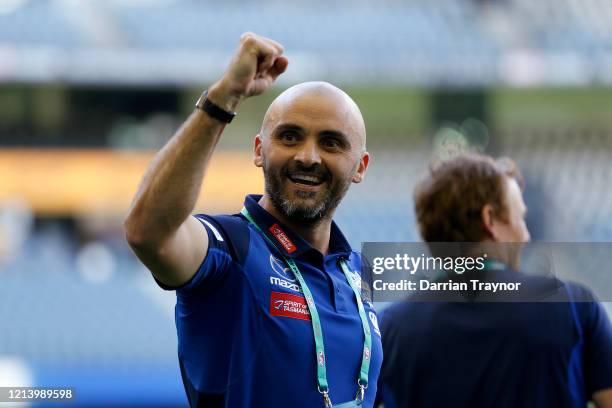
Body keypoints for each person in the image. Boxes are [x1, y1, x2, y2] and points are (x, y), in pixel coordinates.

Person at [124, 33, 382, 408]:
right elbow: (147, 232)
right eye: (290, 137)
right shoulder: (231, 247)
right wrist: (224, 97)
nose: (308, 156)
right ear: (260, 150)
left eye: (331, 143)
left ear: (360, 166)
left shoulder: (362, 275)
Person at [376, 154, 612, 408]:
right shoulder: (573, 306)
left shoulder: (388, 329)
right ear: (489, 219)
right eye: (520, 218)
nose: (526, 235)